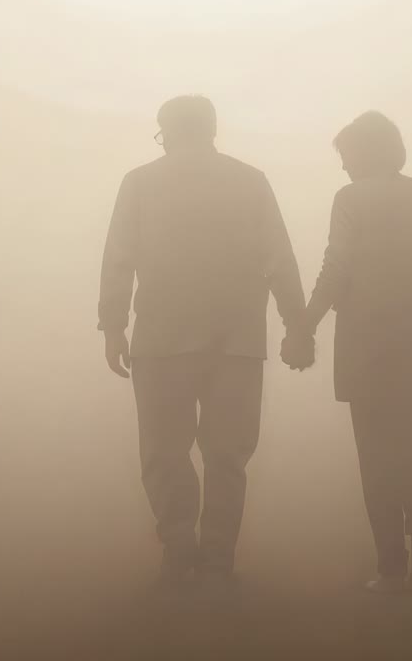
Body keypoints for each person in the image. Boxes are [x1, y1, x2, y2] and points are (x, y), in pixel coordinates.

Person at [99, 95, 308, 587]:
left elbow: (118, 259)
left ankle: (178, 545)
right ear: (213, 129)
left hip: (160, 339)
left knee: (163, 450)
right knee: (228, 455)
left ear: (165, 131)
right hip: (235, 340)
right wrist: (297, 325)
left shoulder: (140, 183)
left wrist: (112, 326)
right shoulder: (249, 181)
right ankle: (217, 556)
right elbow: (279, 257)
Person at [282, 111, 412, 593]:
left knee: (374, 453)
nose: (343, 168)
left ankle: (391, 567)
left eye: (346, 156)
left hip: (369, 346)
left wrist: (303, 325)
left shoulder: (351, 198)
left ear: (363, 154)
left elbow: (337, 266)